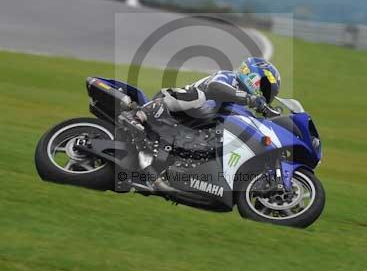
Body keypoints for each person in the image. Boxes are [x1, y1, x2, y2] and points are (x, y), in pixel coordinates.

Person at [120, 57, 281, 187]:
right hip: (173, 108)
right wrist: (249, 97)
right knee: (199, 97)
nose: (263, 95)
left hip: (187, 132)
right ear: (254, 75)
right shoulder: (229, 78)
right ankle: (137, 115)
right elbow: (215, 87)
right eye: (264, 88)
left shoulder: (242, 106)